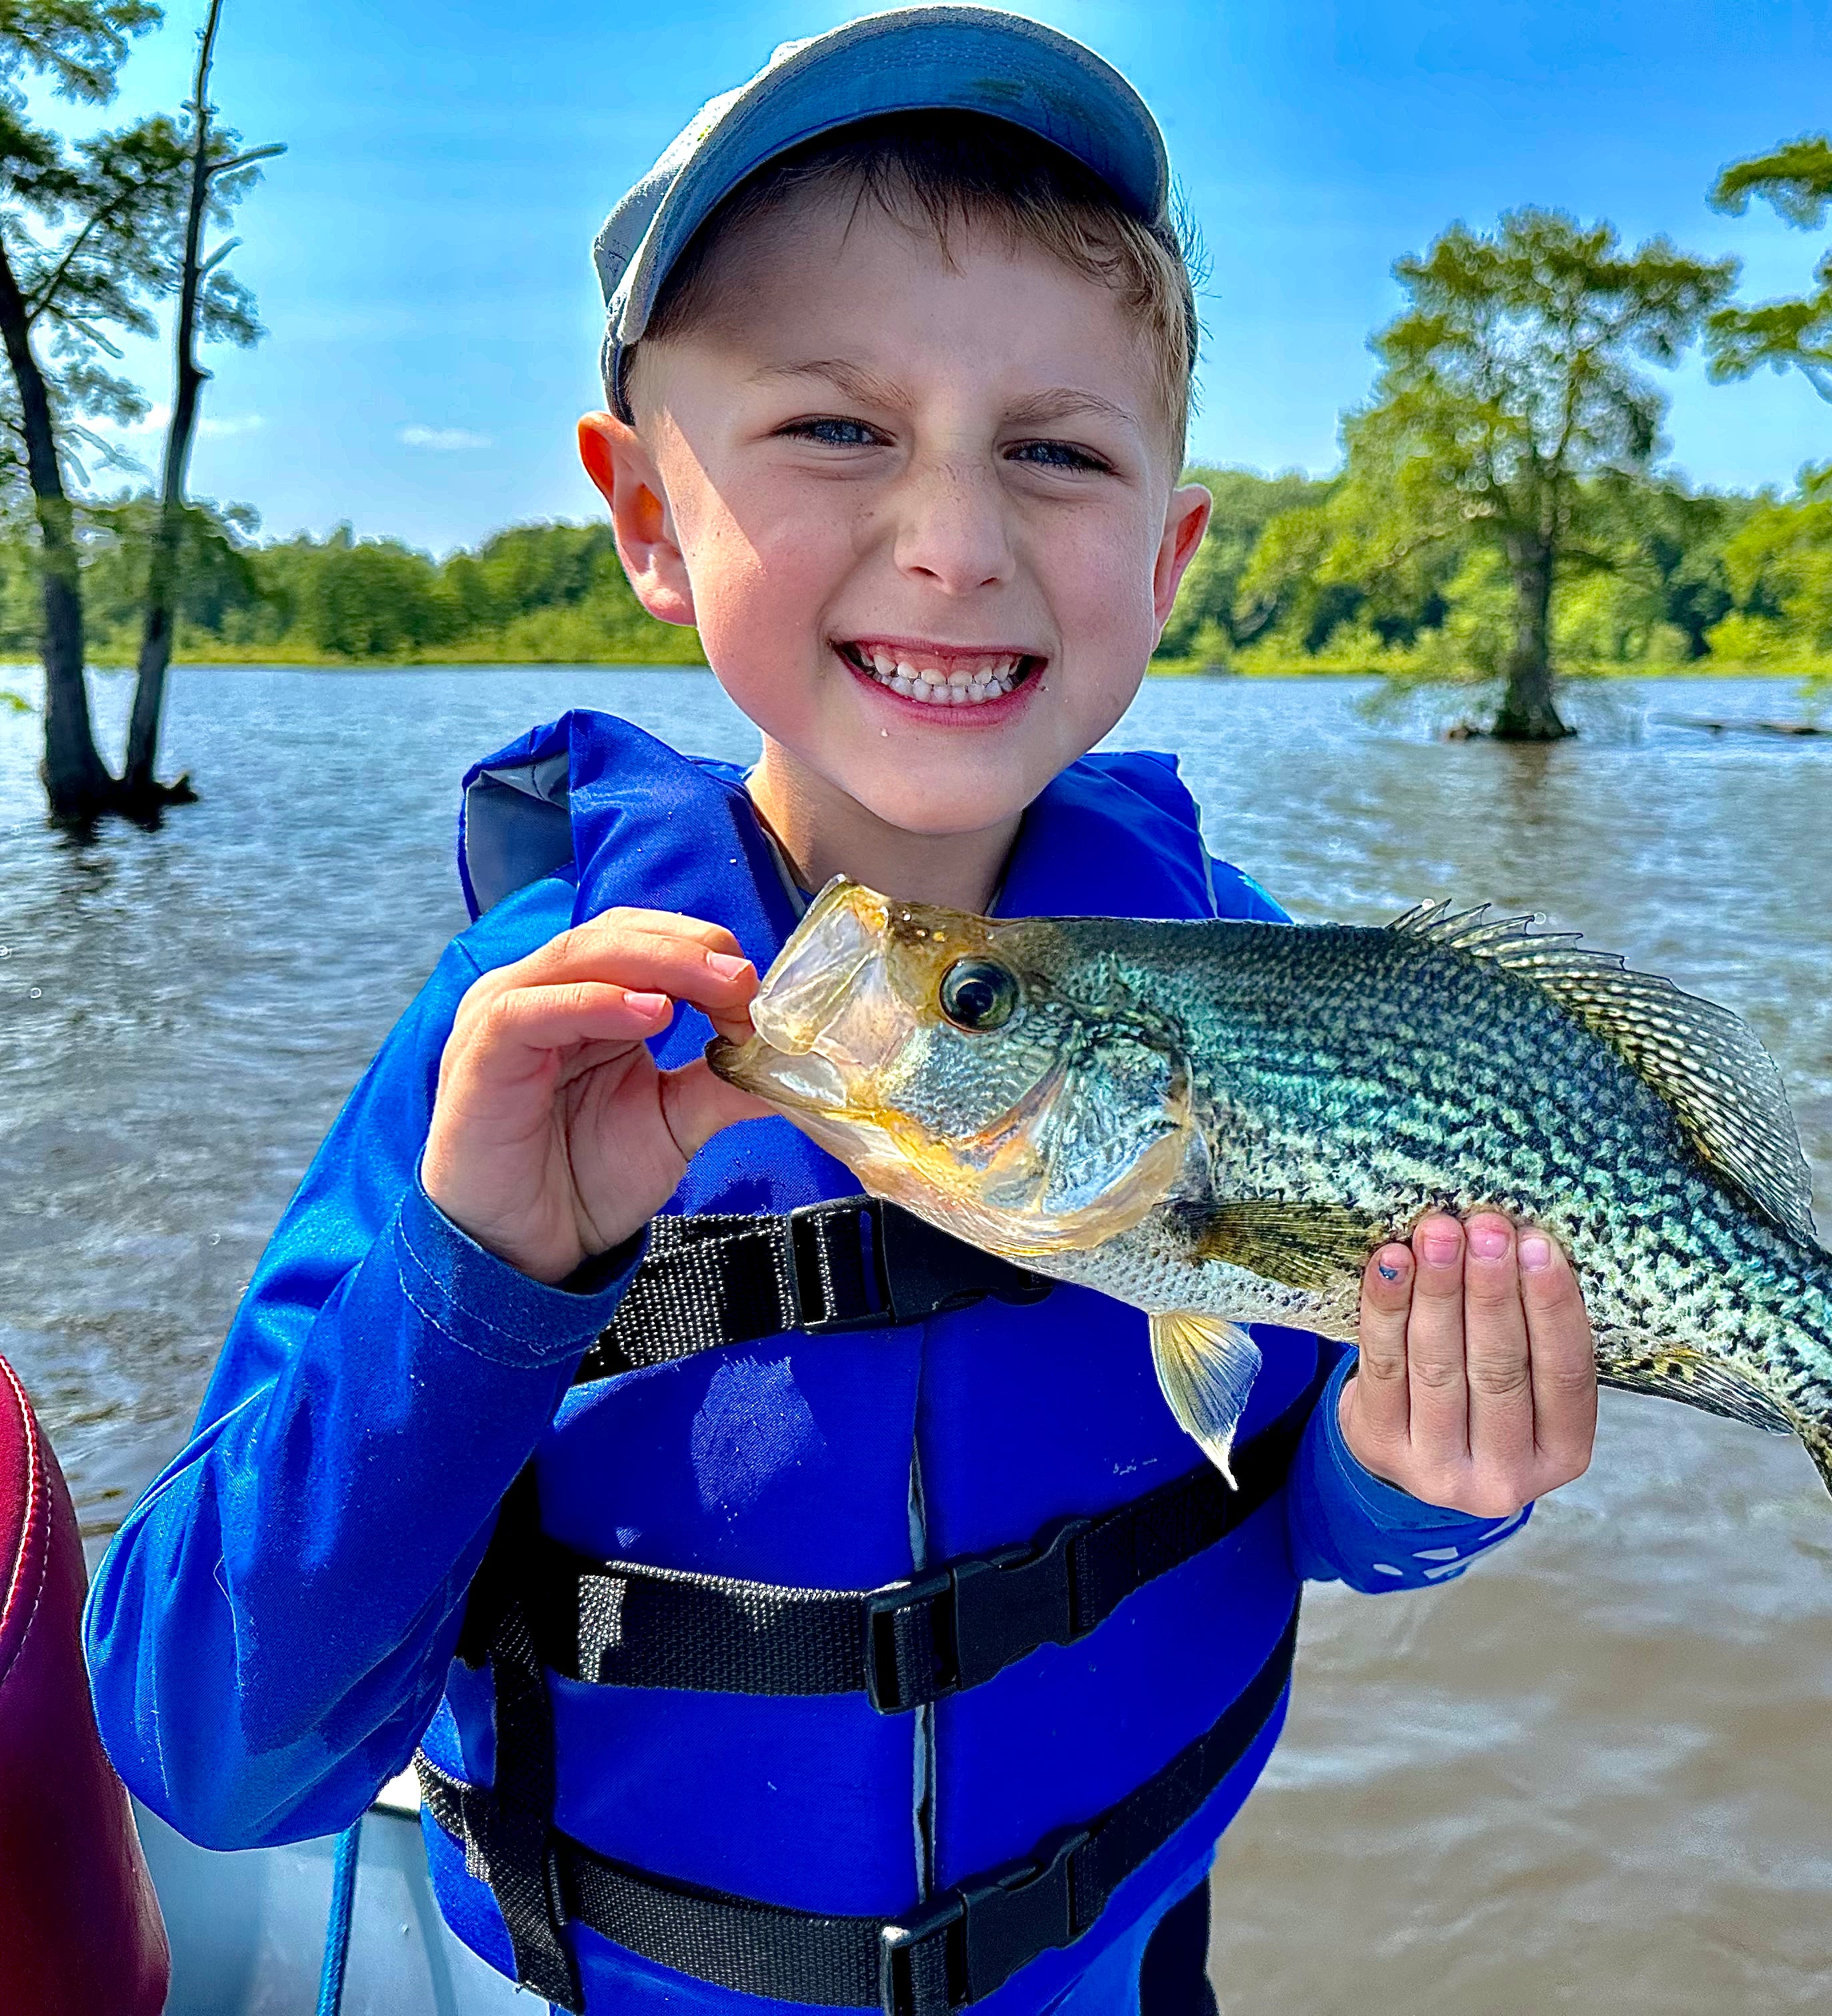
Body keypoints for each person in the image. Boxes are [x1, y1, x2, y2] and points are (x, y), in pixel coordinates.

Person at [83, 10, 1601, 2014]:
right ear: (644, 513)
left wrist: (1428, 1478)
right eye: (834, 430)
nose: (955, 540)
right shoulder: (522, 1044)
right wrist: (474, 1282)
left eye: (1054, 452)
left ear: (1168, 555)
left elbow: (1302, 1502)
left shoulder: (1259, 984)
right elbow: (217, 1753)